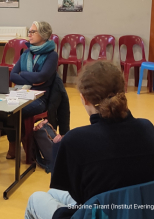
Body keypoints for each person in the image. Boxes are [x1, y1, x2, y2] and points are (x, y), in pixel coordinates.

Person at [25, 61, 154, 219]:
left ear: (84, 99)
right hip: (138, 212)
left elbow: (77, 195)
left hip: (95, 214)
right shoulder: (147, 128)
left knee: (36, 198)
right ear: (123, 91)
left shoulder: (75, 140)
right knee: (53, 193)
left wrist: (58, 149)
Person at [5, 21, 58, 159]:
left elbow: (43, 76)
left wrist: (23, 74)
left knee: (15, 110)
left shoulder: (52, 55)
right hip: (21, 92)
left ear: (44, 34)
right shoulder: (26, 53)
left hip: (40, 98)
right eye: (29, 31)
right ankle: (14, 144)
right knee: (7, 108)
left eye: (33, 31)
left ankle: (25, 144)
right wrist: (33, 79)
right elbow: (13, 76)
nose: (29, 34)